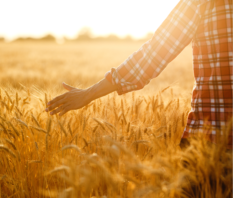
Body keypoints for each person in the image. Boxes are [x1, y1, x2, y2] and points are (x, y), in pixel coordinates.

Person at [45, 0, 233, 149]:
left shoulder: (202, 3)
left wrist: (88, 94)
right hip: (209, 137)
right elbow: (153, 54)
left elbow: (153, 54)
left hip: (209, 138)